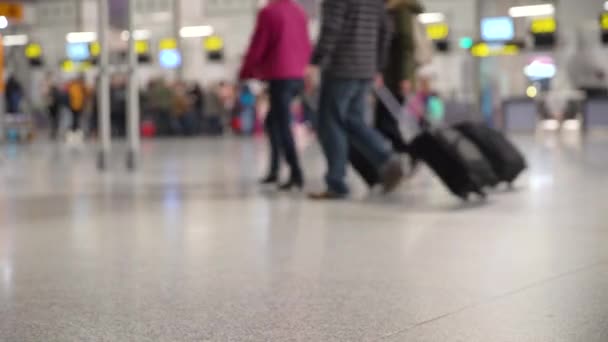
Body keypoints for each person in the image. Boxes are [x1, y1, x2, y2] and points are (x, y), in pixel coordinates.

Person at [309, 0, 404, 200]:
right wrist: (378, 65)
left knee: (331, 123)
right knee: (353, 121)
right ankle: (387, 157)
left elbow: (332, 27)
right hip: (366, 69)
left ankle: (337, 184)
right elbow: (386, 29)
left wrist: (316, 61)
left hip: (341, 67)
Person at [239, 0, 312, 191]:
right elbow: (306, 44)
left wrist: (246, 71)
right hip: (297, 74)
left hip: (280, 74)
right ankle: (274, 169)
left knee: (281, 124)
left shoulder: (269, 12)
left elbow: (259, 44)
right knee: (272, 122)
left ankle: (296, 172)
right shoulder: (299, 11)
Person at [66, 74, 89, 143]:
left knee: (77, 119)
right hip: (74, 106)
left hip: (79, 106)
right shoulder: (74, 86)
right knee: (75, 119)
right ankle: (74, 132)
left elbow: (86, 94)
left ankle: (76, 131)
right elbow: (70, 96)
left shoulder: (80, 86)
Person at [41, 73, 63, 140]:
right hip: (52, 106)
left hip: (54, 106)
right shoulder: (48, 87)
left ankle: (54, 131)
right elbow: (45, 95)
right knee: (53, 119)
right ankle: (53, 131)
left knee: (54, 119)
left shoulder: (54, 88)